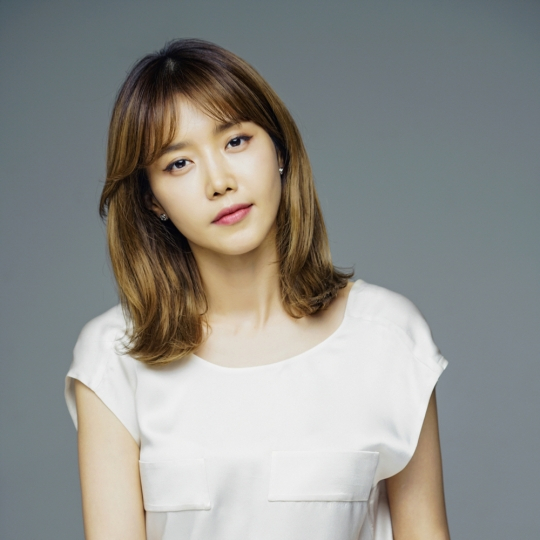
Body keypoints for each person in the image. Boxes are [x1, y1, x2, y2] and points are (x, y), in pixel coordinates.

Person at [65, 38, 450, 540]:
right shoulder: (114, 357)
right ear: (152, 199)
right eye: (178, 163)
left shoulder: (388, 338)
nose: (219, 182)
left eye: (236, 141)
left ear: (279, 150)